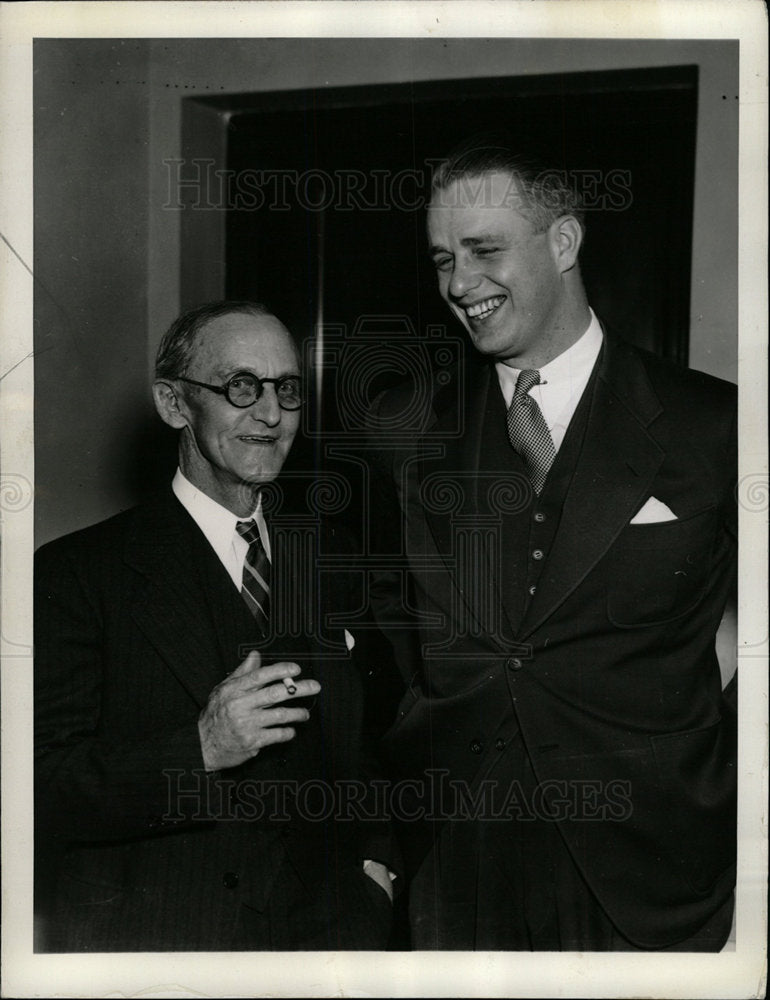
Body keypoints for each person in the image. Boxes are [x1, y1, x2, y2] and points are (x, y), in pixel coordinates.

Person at [368, 139, 737, 951]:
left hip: (657, 869)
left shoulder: (717, 424)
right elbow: (397, 645)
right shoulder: (409, 434)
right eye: (441, 260)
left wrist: (720, 784)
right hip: (459, 865)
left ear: (564, 242)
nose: (458, 285)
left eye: (484, 251)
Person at [35, 300, 396, 951]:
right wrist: (197, 750)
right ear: (175, 404)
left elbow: (374, 737)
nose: (270, 414)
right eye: (240, 387)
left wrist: (376, 866)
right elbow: (41, 790)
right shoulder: (78, 575)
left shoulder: (334, 556)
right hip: (166, 941)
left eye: (286, 389)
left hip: (331, 941)